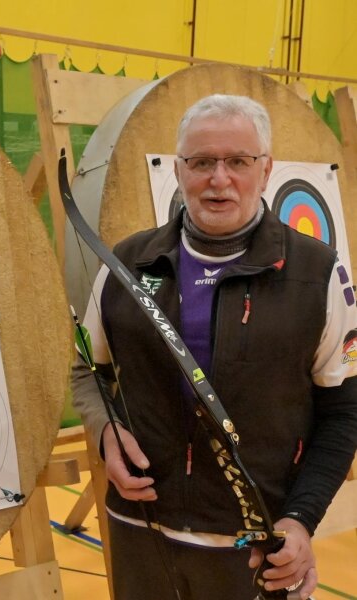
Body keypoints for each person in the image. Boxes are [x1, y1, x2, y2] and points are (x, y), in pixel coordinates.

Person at [71, 94, 357, 600]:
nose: (218, 179)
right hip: (140, 531)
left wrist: (301, 519)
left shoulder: (318, 273)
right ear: (180, 170)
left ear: (266, 170)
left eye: (239, 162)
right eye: (201, 162)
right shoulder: (129, 262)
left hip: (254, 545)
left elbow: (345, 410)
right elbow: (86, 368)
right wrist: (103, 433)